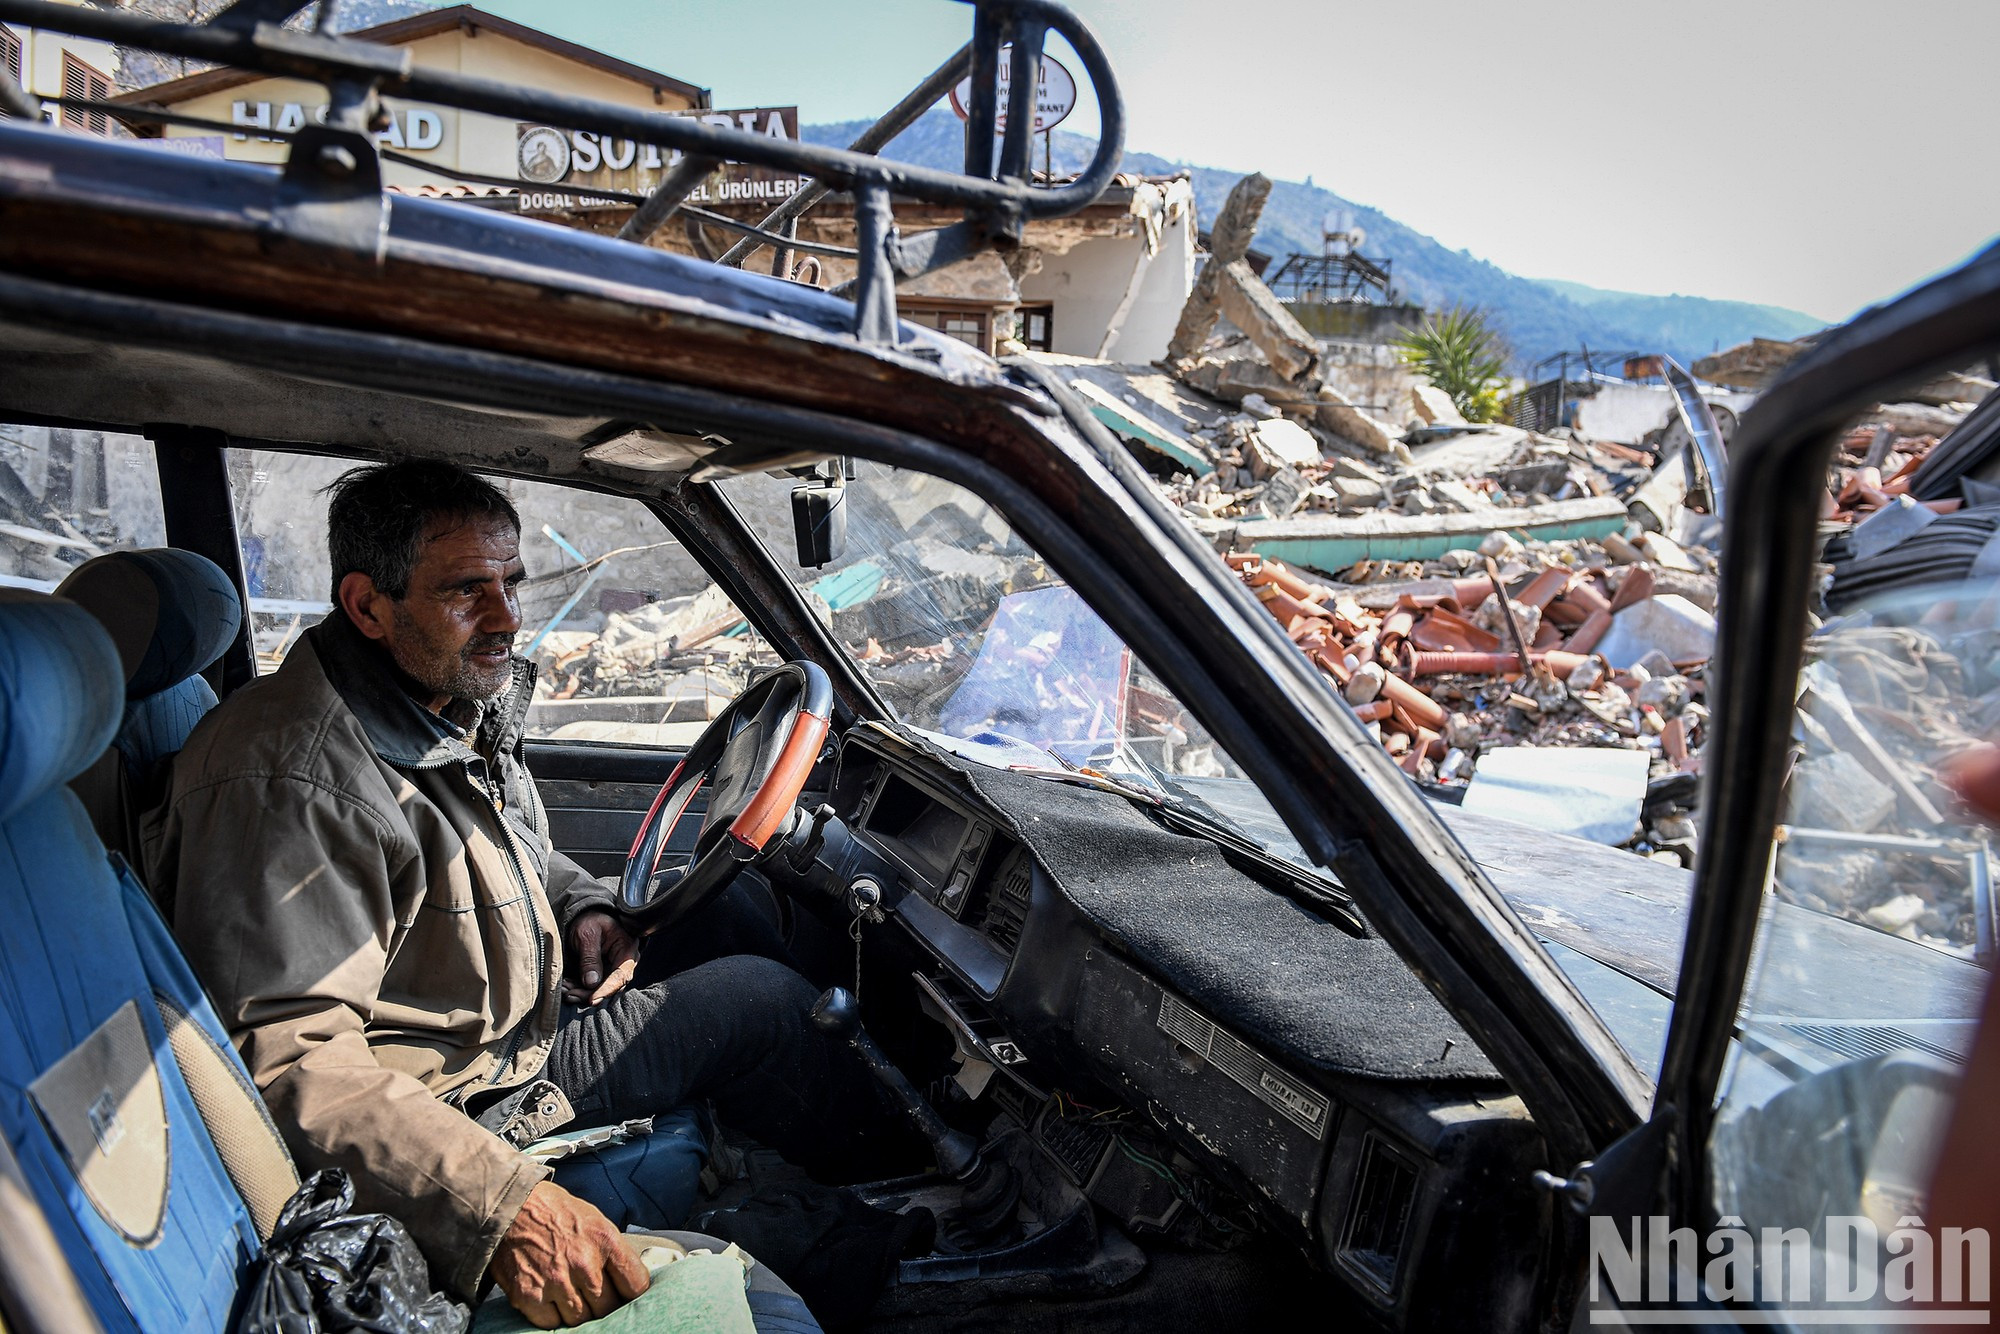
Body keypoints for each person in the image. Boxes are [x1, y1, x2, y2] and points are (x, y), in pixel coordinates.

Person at [146, 461, 903, 1328]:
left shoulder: (431, 702)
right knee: (764, 1001)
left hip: (505, 1017)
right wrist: (501, 1205)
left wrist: (582, 906)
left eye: (512, 583)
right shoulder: (294, 782)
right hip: (462, 1094)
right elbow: (290, 1059)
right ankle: (938, 1197)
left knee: (730, 914)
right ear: (368, 606)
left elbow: (509, 845)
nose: (507, 619)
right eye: (468, 590)